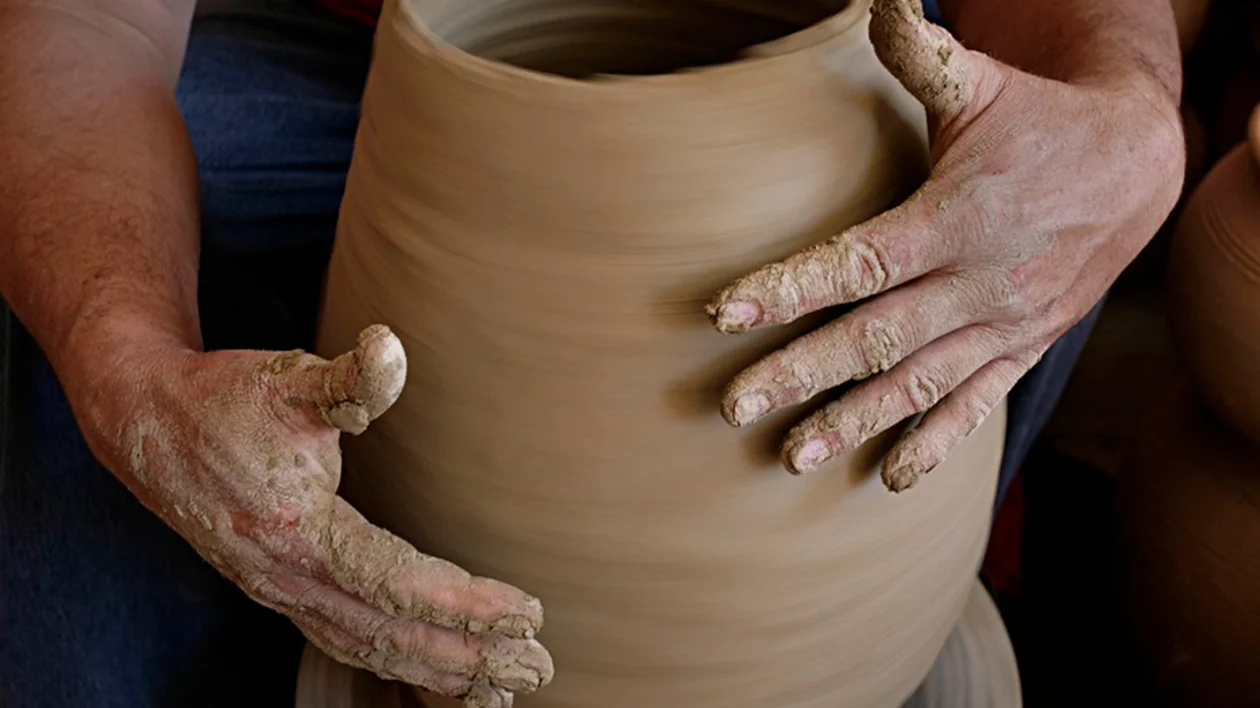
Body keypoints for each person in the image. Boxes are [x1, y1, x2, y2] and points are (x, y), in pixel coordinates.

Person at [0, 0, 1183, 705]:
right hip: (362, 72)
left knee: (1038, 211)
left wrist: (1126, 118)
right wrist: (130, 369)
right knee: (67, 614)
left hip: (833, 72)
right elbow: (87, 21)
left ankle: (853, 621)